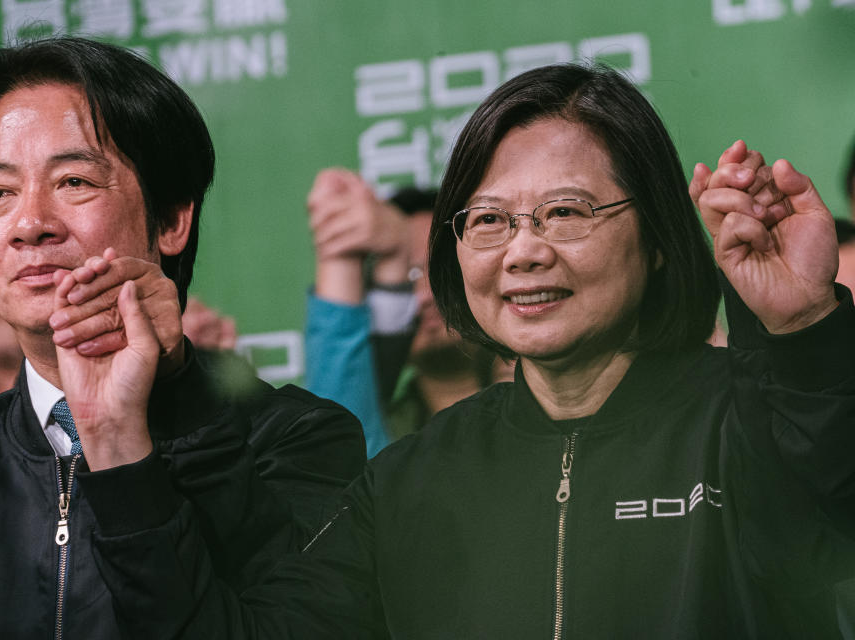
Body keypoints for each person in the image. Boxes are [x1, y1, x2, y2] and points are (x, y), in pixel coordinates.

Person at [94, 64, 854, 638]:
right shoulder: (408, 484)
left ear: (656, 236)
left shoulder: (756, 423)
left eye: (566, 211)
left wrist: (804, 328)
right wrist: (154, 414)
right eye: (488, 221)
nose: (523, 252)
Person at [0, 36, 364, 638]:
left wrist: (125, 441)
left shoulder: (298, 442)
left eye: (73, 181)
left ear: (171, 220)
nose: (30, 224)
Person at [305, 170, 509, 456]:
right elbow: (334, 426)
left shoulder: (554, 399)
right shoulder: (387, 449)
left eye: (438, 269)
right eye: (407, 277)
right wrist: (344, 255)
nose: (426, 295)